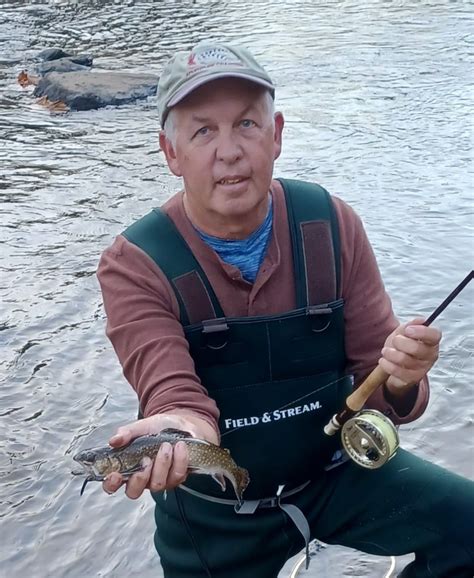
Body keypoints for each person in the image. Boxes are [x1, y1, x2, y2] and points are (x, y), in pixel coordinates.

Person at [96, 42, 474, 578]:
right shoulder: (135, 263)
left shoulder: (331, 224)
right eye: (203, 130)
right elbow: (172, 392)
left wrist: (402, 377)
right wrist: (180, 428)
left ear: (275, 135)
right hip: (214, 516)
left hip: (340, 475)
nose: (228, 151)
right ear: (169, 151)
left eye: (246, 125)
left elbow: (383, 382)